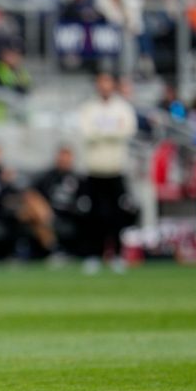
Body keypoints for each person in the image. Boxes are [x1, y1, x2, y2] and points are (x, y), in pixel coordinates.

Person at [78, 72, 138, 274]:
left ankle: (117, 255)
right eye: (100, 82)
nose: (104, 86)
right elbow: (86, 133)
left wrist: (102, 132)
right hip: (94, 170)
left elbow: (127, 131)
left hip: (115, 170)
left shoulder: (122, 108)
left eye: (107, 82)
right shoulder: (89, 108)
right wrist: (111, 131)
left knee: (118, 216)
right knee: (94, 216)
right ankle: (93, 255)